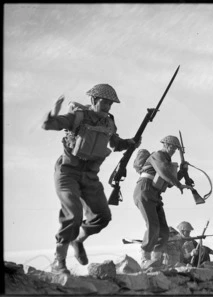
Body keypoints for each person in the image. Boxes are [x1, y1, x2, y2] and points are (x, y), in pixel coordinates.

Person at [42, 84, 140, 274]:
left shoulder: (109, 124)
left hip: (90, 176)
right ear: (94, 100)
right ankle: (58, 260)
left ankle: (77, 240)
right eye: (104, 103)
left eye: (110, 104)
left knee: (102, 216)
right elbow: (49, 125)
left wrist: (130, 143)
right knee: (74, 212)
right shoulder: (78, 117)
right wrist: (53, 113)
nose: (107, 107)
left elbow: (116, 143)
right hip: (68, 171)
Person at [133, 135, 193, 269]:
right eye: (171, 146)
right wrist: (179, 184)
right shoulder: (158, 156)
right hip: (145, 190)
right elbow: (163, 171)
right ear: (165, 145)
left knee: (164, 231)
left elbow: (168, 181)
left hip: (155, 194)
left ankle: (156, 260)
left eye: (175, 148)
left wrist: (182, 172)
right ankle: (145, 259)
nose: (173, 150)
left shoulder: (167, 160)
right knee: (153, 226)